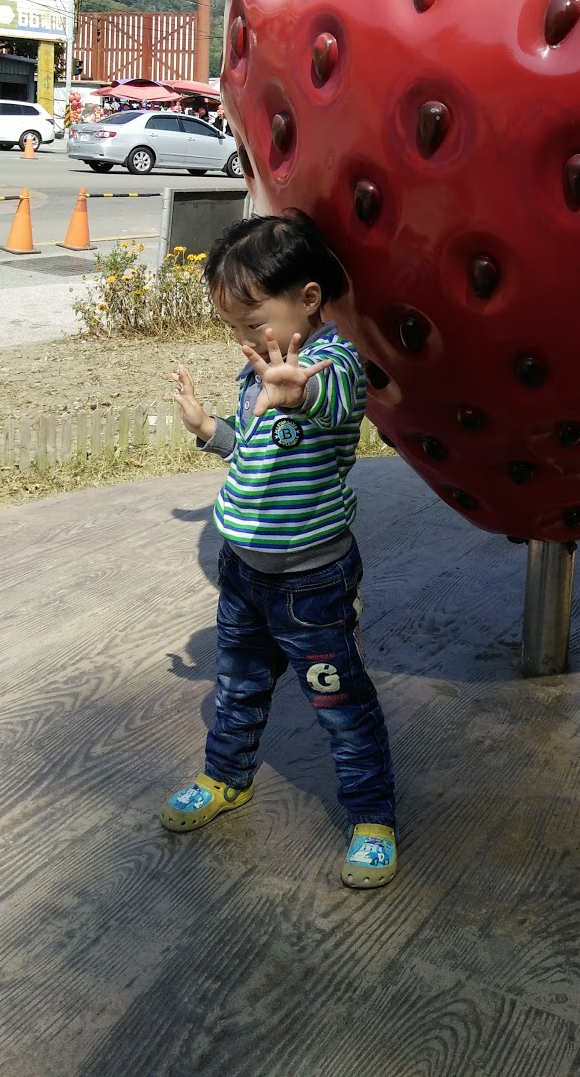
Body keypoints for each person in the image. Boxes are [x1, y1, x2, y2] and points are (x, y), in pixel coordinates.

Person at [165, 212, 398, 888]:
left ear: (308, 299)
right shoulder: (262, 369)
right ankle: (225, 777)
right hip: (244, 573)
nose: (242, 338)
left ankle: (371, 817)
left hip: (309, 584)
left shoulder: (333, 365)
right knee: (235, 686)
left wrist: (295, 391)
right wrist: (211, 428)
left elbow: (324, 403)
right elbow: (252, 449)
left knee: (339, 703)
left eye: (251, 319)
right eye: (232, 327)